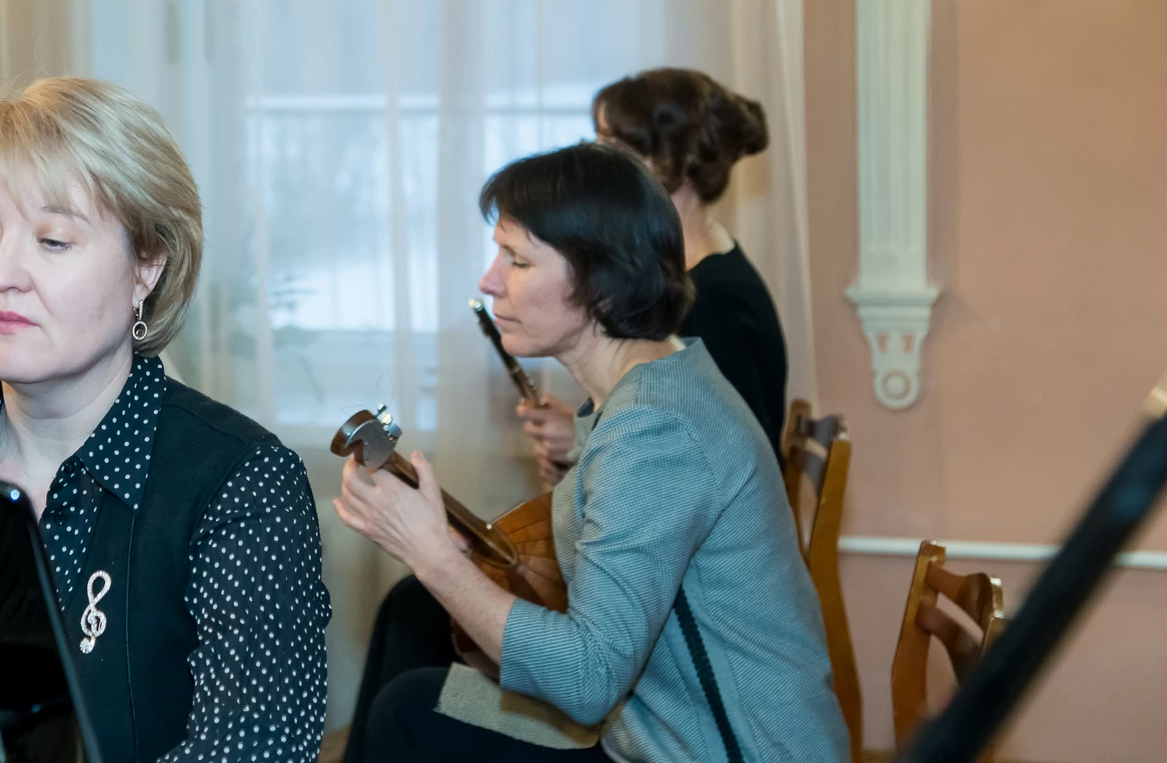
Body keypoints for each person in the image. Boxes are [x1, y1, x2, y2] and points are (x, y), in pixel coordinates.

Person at [0, 77, 331, 763]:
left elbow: (252, 748)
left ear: (146, 267)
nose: (1, 273)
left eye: (52, 240)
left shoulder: (239, 483)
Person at [335, 143, 846, 763]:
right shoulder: (657, 386)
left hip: (709, 750)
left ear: (600, 282)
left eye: (518, 260)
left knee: (411, 711)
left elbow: (586, 678)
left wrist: (433, 555)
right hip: (646, 724)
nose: (489, 281)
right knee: (416, 681)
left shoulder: (657, 431)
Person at [521, 69, 789, 481]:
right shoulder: (684, 275)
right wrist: (583, 438)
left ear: (677, 161)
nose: (598, 160)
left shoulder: (717, 299)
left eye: (612, 145)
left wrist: (583, 443)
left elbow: (718, 460)